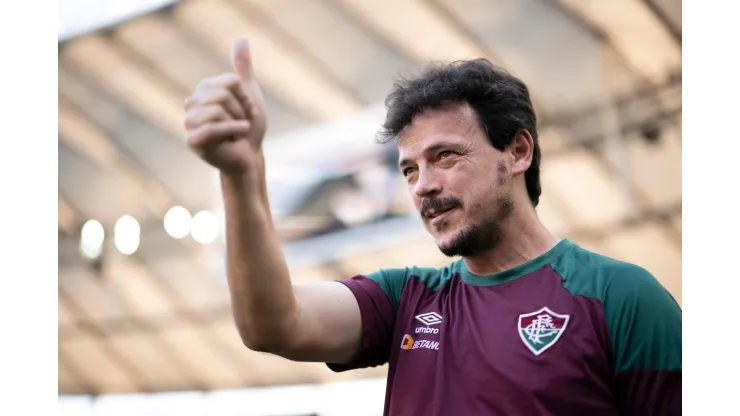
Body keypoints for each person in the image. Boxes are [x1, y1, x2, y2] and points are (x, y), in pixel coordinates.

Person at [184, 38, 681, 416]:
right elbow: (273, 324)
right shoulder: (406, 301)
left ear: (518, 151)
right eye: (409, 169)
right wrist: (241, 173)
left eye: (445, 156)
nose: (422, 185)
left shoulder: (621, 296)